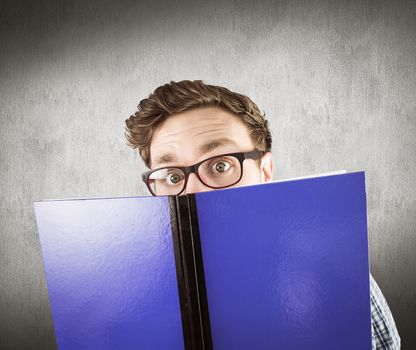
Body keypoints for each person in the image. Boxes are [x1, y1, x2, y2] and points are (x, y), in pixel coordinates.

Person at [125, 80, 401, 349]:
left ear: (265, 171)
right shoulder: (130, 290)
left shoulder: (336, 273)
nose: (194, 192)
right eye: (173, 176)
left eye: (221, 166)